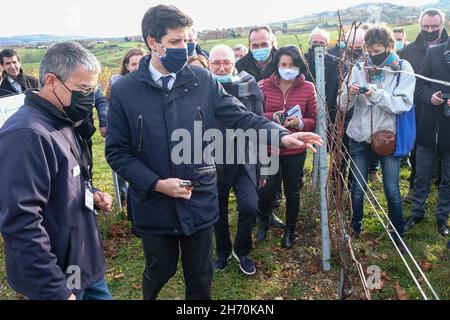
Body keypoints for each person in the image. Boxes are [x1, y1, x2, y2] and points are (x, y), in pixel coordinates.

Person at [105, 4, 322, 300]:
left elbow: (241, 117)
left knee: (200, 277)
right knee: (161, 269)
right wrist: (156, 184)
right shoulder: (125, 91)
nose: (185, 48)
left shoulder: (201, 80)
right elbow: (117, 152)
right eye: (175, 42)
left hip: (198, 197)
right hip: (154, 202)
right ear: (152, 43)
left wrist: (282, 136)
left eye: (187, 41)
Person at [0, 42, 113, 300]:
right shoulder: (26, 135)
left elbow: (64, 178)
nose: (89, 97)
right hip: (59, 275)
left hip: (84, 262)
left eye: (92, 89)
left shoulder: (62, 119)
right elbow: (21, 223)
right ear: (51, 81)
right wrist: (56, 290)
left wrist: (91, 192)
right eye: (83, 89)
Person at [341, 27, 415, 251]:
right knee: (357, 186)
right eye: (369, 50)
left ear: (389, 47)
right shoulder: (359, 67)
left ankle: (398, 231)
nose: (373, 54)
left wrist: (375, 94)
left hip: (387, 137)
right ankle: (355, 227)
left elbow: (403, 103)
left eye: (378, 50)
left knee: (391, 187)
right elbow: (343, 105)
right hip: (360, 135)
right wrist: (350, 93)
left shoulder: (402, 68)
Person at [208, 45, 264, 275]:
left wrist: (262, 169)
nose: (222, 67)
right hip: (212, 161)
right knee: (217, 212)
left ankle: (241, 251)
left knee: (250, 206)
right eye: (216, 63)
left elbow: (260, 126)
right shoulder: (200, 90)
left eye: (227, 62)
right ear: (208, 64)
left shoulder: (249, 88)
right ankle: (222, 252)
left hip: (244, 159)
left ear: (234, 63)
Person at [257, 45, 318, 248]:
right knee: (265, 191)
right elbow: (256, 116)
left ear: (299, 65)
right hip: (269, 147)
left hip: (295, 148)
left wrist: (299, 124)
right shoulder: (264, 86)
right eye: (284, 64)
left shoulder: (308, 88)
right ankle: (264, 219)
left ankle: (290, 229)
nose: (288, 68)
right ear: (277, 65)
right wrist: (272, 117)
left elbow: (313, 119)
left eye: (292, 64)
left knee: (292, 191)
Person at [400, 8, 449, 203]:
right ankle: (415, 186)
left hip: (446, 112)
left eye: (434, 26)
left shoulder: (447, 48)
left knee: (445, 152)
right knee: (417, 151)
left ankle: (441, 189)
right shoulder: (409, 50)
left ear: (442, 25)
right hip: (417, 108)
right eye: (425, 26)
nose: (429, 30)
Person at [405, 38, 450, 237]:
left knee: (448, 177)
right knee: (422, 173)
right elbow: (419, 85)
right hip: (429, 123)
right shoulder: (435, 53)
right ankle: (416, 213)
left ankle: (443, 217)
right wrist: (431, 96)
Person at [106, 48, 146, 225]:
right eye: (134, 63)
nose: (138, 67)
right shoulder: (119, 89)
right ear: (127, 66)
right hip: (126, 140)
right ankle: (128, 205)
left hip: (145, 142)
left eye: (141, 62)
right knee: (128, 176)